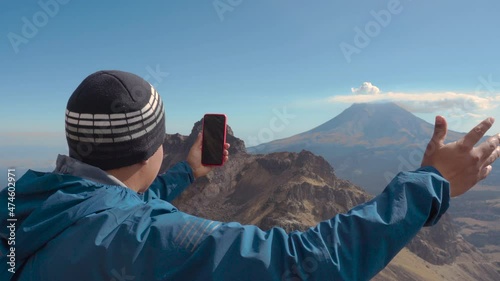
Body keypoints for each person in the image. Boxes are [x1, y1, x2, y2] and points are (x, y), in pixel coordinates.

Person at [0, 70, 499, 281]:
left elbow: (108, 207)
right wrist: (431, 183)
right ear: (154, 146)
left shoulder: (21, 197)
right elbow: (305, 265)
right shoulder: (144, 241)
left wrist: (185, 178)